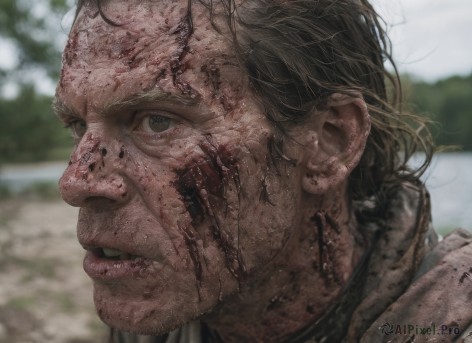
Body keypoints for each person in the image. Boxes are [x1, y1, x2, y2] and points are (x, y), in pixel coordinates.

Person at [55, 0, 472, 341]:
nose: (75, 182)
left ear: (330, 141)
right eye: (77, 126)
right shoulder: (159, 314)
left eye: (157, 121)